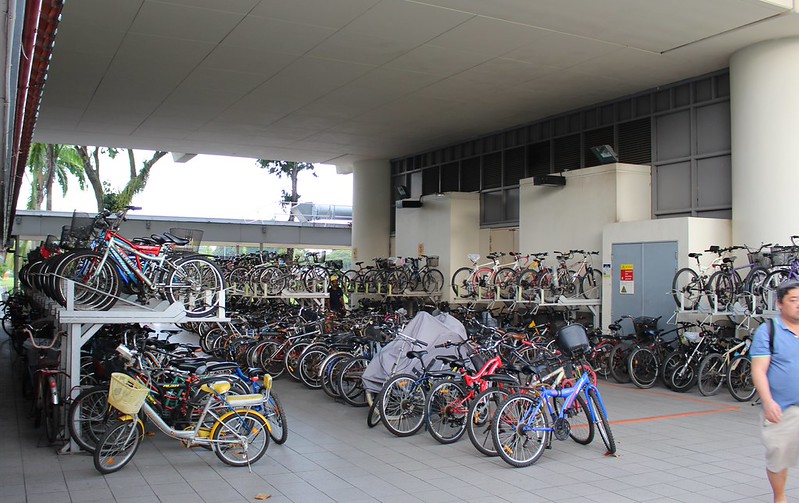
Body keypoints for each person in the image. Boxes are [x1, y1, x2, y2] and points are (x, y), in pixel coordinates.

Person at [751, 279, 799, 503]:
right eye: (793, 300)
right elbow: (759, 370)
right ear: (780, 303)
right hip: (782, 409)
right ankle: (780, 498)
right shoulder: (768, 331)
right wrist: (768, 401)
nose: (798, 304)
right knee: (779, 457)